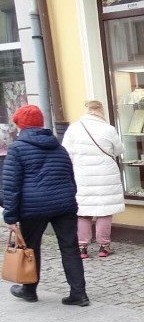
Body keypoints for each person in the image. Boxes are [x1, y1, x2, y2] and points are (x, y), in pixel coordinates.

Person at [2, 104, 90, 306]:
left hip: (33, 208)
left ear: (20, 125)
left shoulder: (17, 148)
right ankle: (79, 294)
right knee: (70, 248)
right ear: (41, 123)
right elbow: (70, 177)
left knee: (30, 248)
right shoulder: (59, 147)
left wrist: (11, 217)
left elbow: (11, 186)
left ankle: (29, 290)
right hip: (64, 205)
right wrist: (69, 199)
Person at [62, 100, 125, 258]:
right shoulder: (108, 129)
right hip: (106, 175)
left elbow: (65, 153)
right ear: (101, 111)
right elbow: (119, 150)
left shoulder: (74, 129)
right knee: (104, 210)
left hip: (81, 174)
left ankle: (82, 247)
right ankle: (104, 246)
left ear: (87, 110)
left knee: (83, 211)